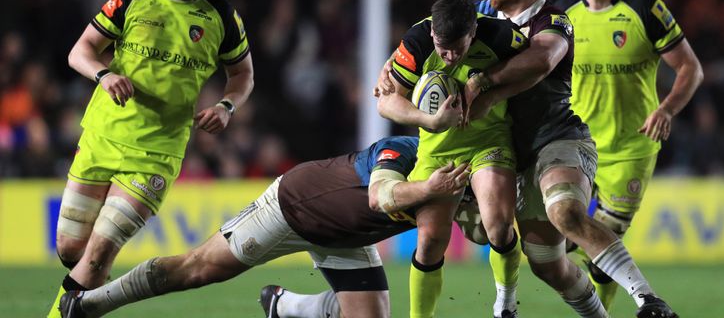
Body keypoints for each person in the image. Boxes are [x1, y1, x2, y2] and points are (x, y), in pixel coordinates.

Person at [463, 0, 679, 318]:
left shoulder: (556, 20)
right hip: (502, 151)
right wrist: (397, 70)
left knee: (564, 211)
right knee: (547, 264)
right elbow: (432, 34)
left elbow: (542, 60)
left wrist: (484, 83)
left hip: (558, 138)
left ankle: (649, 300)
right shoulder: (479, 17)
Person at [47, 0, 255, 317]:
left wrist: (227, 106)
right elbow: (81, 51)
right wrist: (104, 75)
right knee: (72, 250)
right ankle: (90, 299)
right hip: (103, 136)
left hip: (157, 154)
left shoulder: (221, 16)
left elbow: (243, 75)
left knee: (97, 255)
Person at [57, 136, 480, 318]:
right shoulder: (404, 151)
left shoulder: (458, 182)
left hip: (345, 236)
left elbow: (480, 230)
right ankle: (91, 304)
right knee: (198, 269)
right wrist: (429, 187)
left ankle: (283, 306)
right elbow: (379, 197)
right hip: (295, 205)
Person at [553, 0, 703, 310]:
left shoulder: (645, 9)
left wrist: (666, 108)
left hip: (630, 147)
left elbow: (691, 68)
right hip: (576, 143)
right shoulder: (563, 14)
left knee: (603, 251)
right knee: (551, 235)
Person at [376, 0, 527, 318]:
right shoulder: (416, 41)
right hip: (438, 151)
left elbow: (536, 67)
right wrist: (429, 120)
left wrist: (491, 87)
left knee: (499, 228)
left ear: (473, 33)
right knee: (430, 241)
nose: (448, 56)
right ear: (432, 33)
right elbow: (386, 102)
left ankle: (506, 303)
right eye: (442, 47)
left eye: (457, 49)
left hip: (489, 140)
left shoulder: (501, 37)